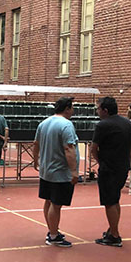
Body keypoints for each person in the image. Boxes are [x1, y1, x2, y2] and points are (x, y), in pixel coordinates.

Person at [32, 96, 79, 248]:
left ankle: (52, 231)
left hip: (46, 171)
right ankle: (53, 236)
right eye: (72, 107)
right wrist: (74, 171)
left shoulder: (44, 123)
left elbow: (36, 143)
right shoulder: (66, 125)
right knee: (56, 204)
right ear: (67, 108)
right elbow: (69, 148)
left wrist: (36, 160)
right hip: (60, 171)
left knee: (48, 201)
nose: (73, 110)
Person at [91, 97, 131, 247]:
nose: (97, 111)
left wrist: (101, 161)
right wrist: (124, 157)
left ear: (105, 110)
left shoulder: (103, 125)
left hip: (108, 169)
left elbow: (93, 148)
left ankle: (114, 236)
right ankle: (112, 230)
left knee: (109, 202)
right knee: (115, 199)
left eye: (98, 109)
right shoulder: (127, 123)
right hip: (122, 167)